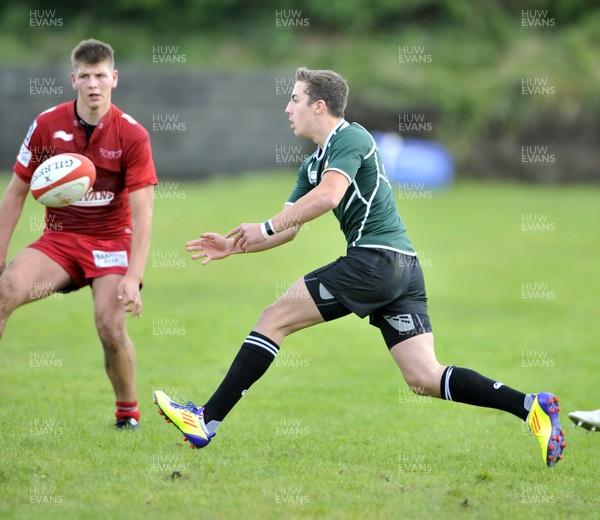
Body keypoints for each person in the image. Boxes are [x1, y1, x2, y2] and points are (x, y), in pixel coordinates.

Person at [154, 67, 565, 466]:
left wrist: (263, 225)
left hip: (374, 261)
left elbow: (330, 197)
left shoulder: (350, 137)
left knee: (273, 318)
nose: (286, 108)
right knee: (423, 377)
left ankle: (206, 420)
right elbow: (289, 227)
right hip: (402, 269)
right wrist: (235, 246)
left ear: (318, 106)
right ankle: (531, 406)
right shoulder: (312, 164)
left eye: (293, 99)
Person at [0, 39, 157, 429]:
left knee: (110, 326)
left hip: (111, 243)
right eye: (85, 76)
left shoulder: (132, 135)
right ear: (73, 79)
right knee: (4, 291)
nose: (93, 83)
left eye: (101, 75)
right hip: (59, 240)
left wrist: (134, 277)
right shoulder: (46, 125)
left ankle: (127, 413)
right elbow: (15, 193)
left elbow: (143, 212)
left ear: (114, 79)